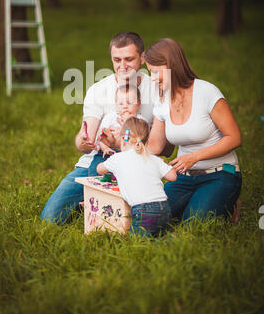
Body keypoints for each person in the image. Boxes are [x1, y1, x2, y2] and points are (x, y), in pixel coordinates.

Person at [40, 32, 154, 224]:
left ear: (142, 58)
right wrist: (84, 141)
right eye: (117, 60)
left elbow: (164, 145)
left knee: (136, 220)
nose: (122, 66)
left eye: (129, 59)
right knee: (49, 219)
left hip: (139, 163)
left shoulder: (156, 88)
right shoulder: (98, 90)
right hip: (98, 161)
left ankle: (98, 201)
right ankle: (88, 200)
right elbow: (86, 138)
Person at [145, 38, 242, 222]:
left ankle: (229, 202)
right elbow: (155, 146)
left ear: (172, 65)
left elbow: (235, 138)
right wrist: (123, 148)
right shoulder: (162, 99)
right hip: (183, 178)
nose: (152, 78)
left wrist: (195, 157)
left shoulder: (207, 92)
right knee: (154, 218)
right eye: (150, 72)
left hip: (220, 173)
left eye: (156, 71)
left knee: (193, 223)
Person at [96, 116, 177, 236]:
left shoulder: (117, 159)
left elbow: (99, 169)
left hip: (143, 211)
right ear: (146, 140)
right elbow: (173, 176)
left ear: (123, 139)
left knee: (138, 241)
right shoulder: (153, 159)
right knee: (160, 235)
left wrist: (106, 163)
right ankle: (169, 237)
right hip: (164, 208)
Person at [87, 83, 148, 175]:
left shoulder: (141, 121)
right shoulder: (111, 117)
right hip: (107, 152)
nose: (125, 106)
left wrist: (128, 123)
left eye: (129, 103)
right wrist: (105, 148)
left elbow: (143, 140)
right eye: (121, 103)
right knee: (95, 169)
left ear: (138, 104)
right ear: (116, 104)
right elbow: (100, 135)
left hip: (131, 154)